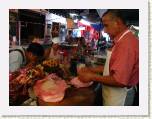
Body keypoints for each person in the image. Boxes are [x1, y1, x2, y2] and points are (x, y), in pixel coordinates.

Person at [78, 9, 139, 106]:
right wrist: (91, 69)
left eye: (106, 25)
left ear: (118, 23)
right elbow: (113, 67)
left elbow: (119, 80)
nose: (105, 31)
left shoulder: (125, 44)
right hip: (113, 95)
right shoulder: (121, 40)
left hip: (120, 98)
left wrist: (92, 76)